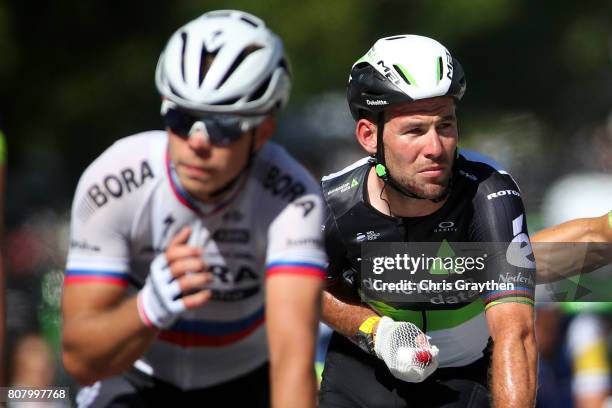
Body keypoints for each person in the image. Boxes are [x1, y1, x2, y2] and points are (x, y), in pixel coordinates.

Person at [61, 10, 327, 408]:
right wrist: (149, 306)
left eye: (222, 126)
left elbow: (292, 362)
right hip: (138, 378)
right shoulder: (115, 180)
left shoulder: (292, 198)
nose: (198, 143)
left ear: (264, 131)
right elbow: (80, 361)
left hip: (243, 380)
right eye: (183, 119)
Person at [318, 35, 537, 407]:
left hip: (465, 375)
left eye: (446, 126)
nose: (435, 148)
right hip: (365, 370)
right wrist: (378, 331)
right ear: (369, 136)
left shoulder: (488, 192)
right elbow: (306, 288)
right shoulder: (335, 203)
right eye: (415, 130)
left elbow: (514, 333)